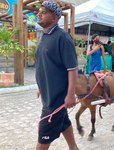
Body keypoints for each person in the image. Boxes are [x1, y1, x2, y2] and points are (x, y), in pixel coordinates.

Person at [35, 1, 79, 149]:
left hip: (56, 99)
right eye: (39, 11)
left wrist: (71, 94)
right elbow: (45, 64)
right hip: (48, 94)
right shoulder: (45, 36)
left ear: (55, 18)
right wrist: (41, 86)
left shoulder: (63, 38)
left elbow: (72, 69)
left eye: (43, 12)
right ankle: (74, 148)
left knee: (43, 137)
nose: (38, 14)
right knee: (64, 122)